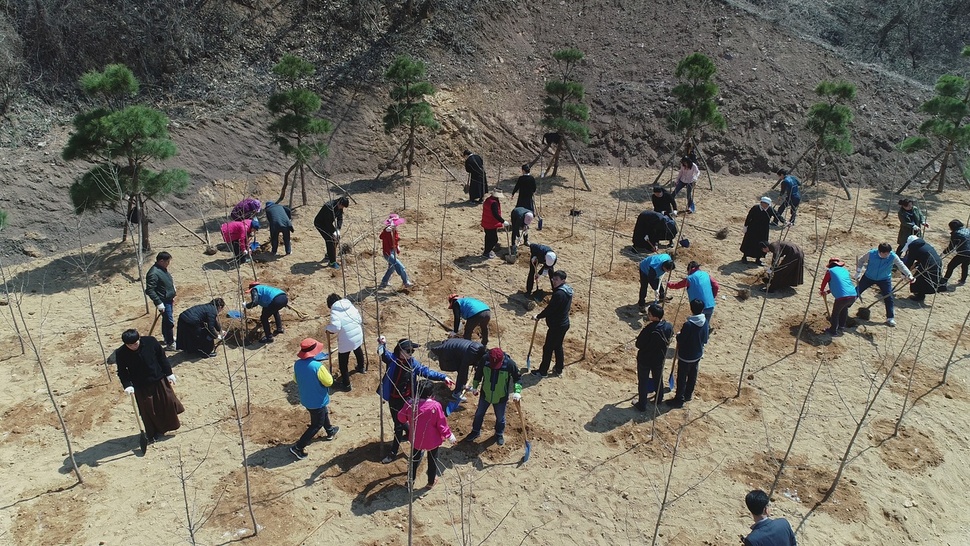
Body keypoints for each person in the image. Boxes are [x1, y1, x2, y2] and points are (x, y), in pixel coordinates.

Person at [378, 338, 454, 464]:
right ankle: (407, 433)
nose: (411, 353)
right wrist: (382, 343)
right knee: (399, 421)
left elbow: (426, 371)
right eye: (409, 351)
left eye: (412, 351)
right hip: (393, 399)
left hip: (408, 400)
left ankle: (393, 452)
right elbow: (382, 352)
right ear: (400, 351)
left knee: (398, 425)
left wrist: (443, 377)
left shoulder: (413, 364)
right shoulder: (392, 359)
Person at [116, 329, 184, 444]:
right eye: (130, 345)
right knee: (149, 410)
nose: (133, 347)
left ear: (139, 339)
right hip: (141, 386)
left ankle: (170, 425)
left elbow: (162, 358)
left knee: (167, 403)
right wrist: (127, 385)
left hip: (158, 379)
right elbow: (122, 371)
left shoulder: (151, 342)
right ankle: (153, 433)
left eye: (135, 343)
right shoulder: (121, 353)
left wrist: (169, 373)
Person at [397, 380, 456, 489]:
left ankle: (410, 481)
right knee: (433, 460)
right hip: (432, 440)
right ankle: (430, 481)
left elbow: (401, 417)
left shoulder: (410, 404)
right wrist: (449, 435)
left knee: (414, 460)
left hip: (416, 439)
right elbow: (441, 424)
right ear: (431, 393)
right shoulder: (435, 406)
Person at [289, 338, 340, 460]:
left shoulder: (297, 364)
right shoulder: (318, 366)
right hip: (317, 399)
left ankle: (330, 430)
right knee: (316, 424)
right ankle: (298, 447)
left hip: (306, 398)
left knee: (323, 412)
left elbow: (295, 380)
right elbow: (329, 382)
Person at [468, 347, 522, 446]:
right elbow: (478, 374)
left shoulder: (510, 364)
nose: (494, 367)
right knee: (479, 414)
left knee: (500, 417)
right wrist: (475, 387)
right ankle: (475, 431)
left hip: (501, 397)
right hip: (485, 394)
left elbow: (517, 378)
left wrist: (517, 392)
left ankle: (499, 433)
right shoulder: (485, 360)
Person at [856, 243, 914, 327]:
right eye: (885, 253)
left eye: (888, 253)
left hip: (884, 279)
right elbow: (861, 260)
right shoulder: (871, 254)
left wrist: (909, 275)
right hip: (868, 277)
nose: (887, 255)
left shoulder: (892, 256)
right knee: (857, 291)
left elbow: (901, 266)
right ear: (880, 252)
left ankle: (890, 318)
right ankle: (845, 307)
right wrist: (858, 271)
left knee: (888, 297)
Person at [666, 299, 709, 408]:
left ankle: (679, 400)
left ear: (691, 308)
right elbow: (705, 338)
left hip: (686, 356)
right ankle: (688, 394)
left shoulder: (688, 325)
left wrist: (679, 335)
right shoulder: (705, 322)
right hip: (697, 354)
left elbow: (681, 340)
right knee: (692, 375)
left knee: (681, 377)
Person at [531, 270, 573, 377]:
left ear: (563, 280)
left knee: (548, 348)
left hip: (557, 326)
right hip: (564, 324)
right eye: (553, 279)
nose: (554, 281)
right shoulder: (568, 290)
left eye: (556, 279)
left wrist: (538, 316)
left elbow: (550, 309)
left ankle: (543, 371)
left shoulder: (559, 294)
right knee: (558, 346)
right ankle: (559, 368)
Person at [634, 303, 673, 410]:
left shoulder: (648, 330)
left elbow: (638, 345)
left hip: (645, 359)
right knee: (658, 378)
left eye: (649, 314)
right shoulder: (668, 326)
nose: (648, 315)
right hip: (659, 358)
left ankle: (642, 404)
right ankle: (659, 398)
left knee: (643, 381)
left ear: (654, 317)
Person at [427, 337, 488, 403]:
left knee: (463, 369)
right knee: (461, 370)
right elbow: (462, 370)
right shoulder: (470, 355)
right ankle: (456, 394)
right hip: (448, 351)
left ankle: (463, 386)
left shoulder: (479, 348)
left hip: (453, 345)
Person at [325, 293, 365, 391]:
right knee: (357, 349)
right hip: (358, 334)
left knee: (343, 362)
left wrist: (327, 328)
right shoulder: (350, 305)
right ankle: (361, 367)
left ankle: (346, 384)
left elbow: (336, 327)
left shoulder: (335, 311)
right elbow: (359, 319)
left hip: (346, 339)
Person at [145, 251, 177, 350]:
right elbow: (150, 290)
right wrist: (159, 303)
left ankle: (167, 338)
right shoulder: (153, 273)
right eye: (167, 261)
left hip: (168, 299)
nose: (169, 264)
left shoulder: (162, 269)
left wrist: (172, 288)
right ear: (161, 261)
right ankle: (170, 343)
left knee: (166, 320)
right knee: (169, 322)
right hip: (163, 301)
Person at [900, 236, 945, 302]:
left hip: (929, 265)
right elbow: (923, 256)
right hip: (937, 262)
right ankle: (920, 294)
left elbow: (909, 261)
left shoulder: (913, 247)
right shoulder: (925, 244)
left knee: (918, 279)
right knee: (925, 279)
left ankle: (919, 296)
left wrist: (904, 273)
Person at [819, 257, 856, 336]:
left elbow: (824, 282)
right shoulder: (844, 271)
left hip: (842, 297)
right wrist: (827, 292)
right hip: (853, 295)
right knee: (844, 309)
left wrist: (822, 291)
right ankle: (841, 326)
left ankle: (833, 331)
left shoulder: (829, 271)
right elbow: (841, 286)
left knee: (835, 314)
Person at [741, 197, 782, 265]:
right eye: (763, 203)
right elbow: (749, 217)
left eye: (766, 204)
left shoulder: (770, 209)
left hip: (764, 230)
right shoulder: (755, 208)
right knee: (749, 242)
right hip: (753, 228)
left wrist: (785, 222)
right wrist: (745, 226)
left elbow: (777, 215)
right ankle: (744, 257)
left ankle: (758, 259)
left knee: (762, 244)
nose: (764, 205)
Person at [379, 213, 414, 289]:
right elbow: (381, 237)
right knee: (400, 267)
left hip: (392, 251)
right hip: (388, 253)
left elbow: (395, 240)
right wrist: (386, 231)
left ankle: (384, 282)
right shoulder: (387, 230)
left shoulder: (394, 231)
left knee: (392, 268)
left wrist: (397, 246)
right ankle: (406, 282)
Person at [314, 196, 349, 269]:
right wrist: (334, 232)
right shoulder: (329, 207)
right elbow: (327, 223)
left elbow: (340, 218)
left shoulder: (340, 207)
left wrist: (338, 229)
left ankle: (329, 254)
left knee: (337, 238)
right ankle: (332, 262)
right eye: (342, 206)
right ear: (339, 202)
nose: (342, 208)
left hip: (328, 223)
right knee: (330, 239)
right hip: (320, 223)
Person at [481, 190, 509, 258]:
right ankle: (486, 252)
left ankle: (487, 251)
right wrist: (503, 221)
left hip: (486, 222)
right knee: (494, 239)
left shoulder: (488, 199)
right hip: (491, 224)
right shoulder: (494, 203)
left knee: (488, 237)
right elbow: (495, 214)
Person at [943, 219, 970, 286]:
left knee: (951, 266)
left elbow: (951, 247)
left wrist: (944, 252)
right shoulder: (967, 230)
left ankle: (944, 280)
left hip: (963, 253)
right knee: (965, 265)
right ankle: (963, 280)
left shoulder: (955, 234)